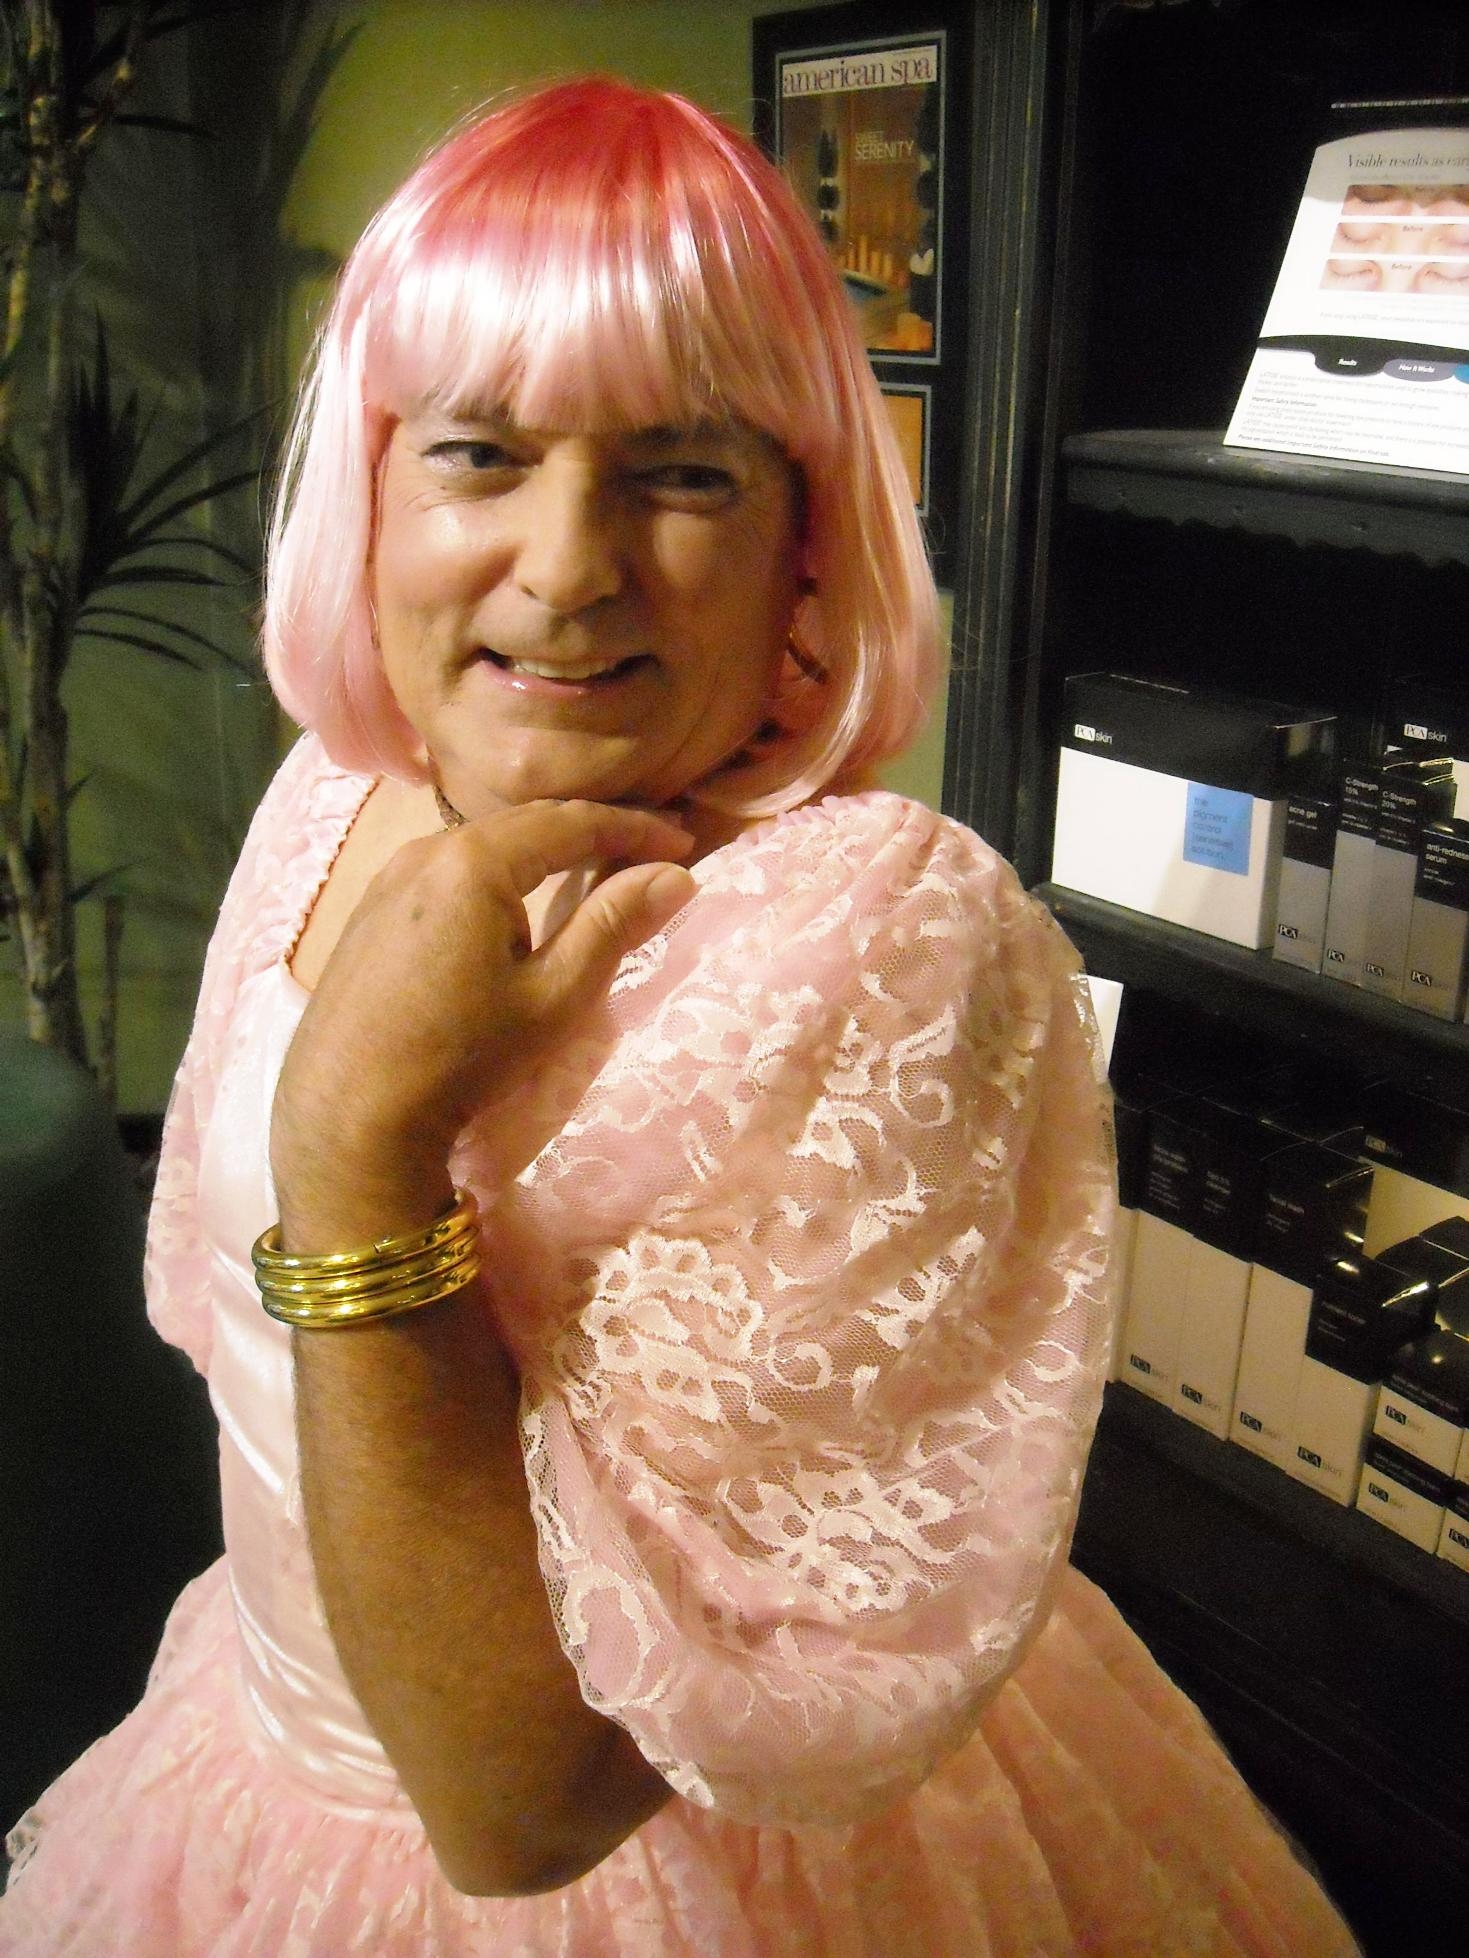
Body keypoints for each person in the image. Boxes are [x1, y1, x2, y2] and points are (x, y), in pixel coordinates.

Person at [0, 77, 1358, 1957]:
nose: (567, 570)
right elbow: (221, 1349)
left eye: (684, 471)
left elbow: (525, 1802)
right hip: (257, 1761)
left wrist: (361, 1143)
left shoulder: (877, 942)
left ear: (807, 533)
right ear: (371, 494)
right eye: (478, 452)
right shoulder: (336, 785)